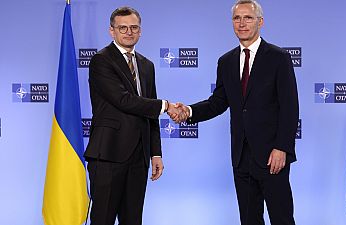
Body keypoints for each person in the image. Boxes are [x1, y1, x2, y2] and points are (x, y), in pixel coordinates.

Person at [171, 0, 299, 224]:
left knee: (282, 218)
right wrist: (189, 111)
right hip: (241, 157)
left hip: (272, 156)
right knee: (249, 219)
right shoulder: (226, 61)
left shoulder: (279, 58)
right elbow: (218, 102)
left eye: (248, 17)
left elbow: (290, 107)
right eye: (237, 18)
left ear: (260, 22)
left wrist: (282, 148)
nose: (242, 23)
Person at [84, 6, 180, 225]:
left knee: (133, 219)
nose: (128, 32)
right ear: (112, 31)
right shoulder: (102, 60)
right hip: (108, 155)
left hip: (139, 156)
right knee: (103, 219)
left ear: (140, 31)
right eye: (123, 28)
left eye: (133, 27)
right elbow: (123, 100)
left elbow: (150, 113)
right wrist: (166, 105)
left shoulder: (147, 65)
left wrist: (155, 152)